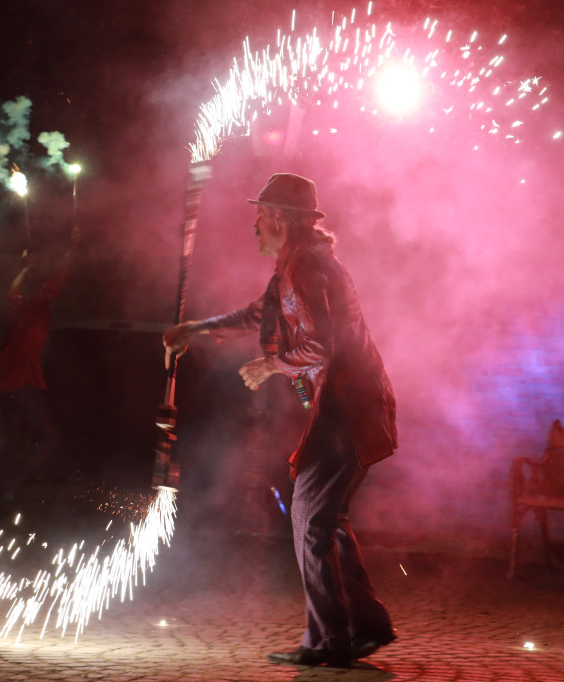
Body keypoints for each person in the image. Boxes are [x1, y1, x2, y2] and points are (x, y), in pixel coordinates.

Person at [162, 173, 398, 668]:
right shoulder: (297, 266)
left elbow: (321, 344)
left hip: (346, 411)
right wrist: (199, 328)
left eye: (259, 216)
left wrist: (272, 365)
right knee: (324, 520)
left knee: (310, 522)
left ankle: (328, 642)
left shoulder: (307, 269)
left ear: (279, 219)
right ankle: (365, 626)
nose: (253, 227)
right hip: (349, 409)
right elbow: (261, 314)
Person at [0, 225, 81, 499]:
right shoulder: (19, 308)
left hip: (13, 385)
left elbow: (59, 277)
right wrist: (26, 268)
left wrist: (72, 248)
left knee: (16, 442)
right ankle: (12, 486)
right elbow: (15, 291)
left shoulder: (39, 303)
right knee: (50, 437)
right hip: (18, 383)